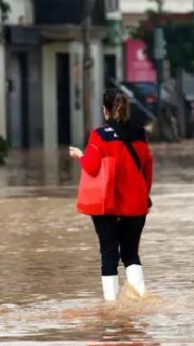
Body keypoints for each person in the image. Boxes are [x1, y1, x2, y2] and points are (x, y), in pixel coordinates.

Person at [68, 89, 153, 301]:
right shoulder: (140, 135)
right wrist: (145, 197)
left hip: (107, 205)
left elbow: (92, 167)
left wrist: (80, 155)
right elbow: (147, 171)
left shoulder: (99, 135)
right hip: (136, 205)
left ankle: (112, 307)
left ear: (105, 111)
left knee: (109, 254)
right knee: (131, 254)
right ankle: (141, 299)